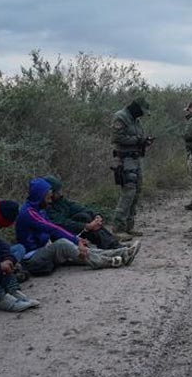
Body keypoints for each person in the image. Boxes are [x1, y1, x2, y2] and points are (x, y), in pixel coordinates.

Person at [16, 178, 139, 275]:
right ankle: (106, 262)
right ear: (40, 196)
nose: (49, 201)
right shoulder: (29, 213)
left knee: (80, 247)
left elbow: (71, 214)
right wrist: (76, 239)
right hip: (32, 258)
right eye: (47, 197)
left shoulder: (40, 209)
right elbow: (53, 227)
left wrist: (77, 239)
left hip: (43, 250)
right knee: (63, 243)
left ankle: (122, 253)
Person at [41, 175, 124, 250]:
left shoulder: (61, 201)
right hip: (63, 235)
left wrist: (96, 217)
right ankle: (111, 246)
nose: (60, 193)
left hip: (74, 230)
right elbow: (62, 223)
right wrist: (87, 226)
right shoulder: (46, 208)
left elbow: (78, 208)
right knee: (85, 219)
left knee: (85, 216)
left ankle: (113, 244)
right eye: (57, 191)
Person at [111, 97, 154, 238]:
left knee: (136, 192)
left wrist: (144, 141)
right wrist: (138, 140)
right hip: (125, 159)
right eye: (142, 111)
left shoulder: (136, 120)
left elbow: (137, 136)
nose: (142, 114)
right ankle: (118, 229)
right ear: (136, 107)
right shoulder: (120, 117)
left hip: (136, 159)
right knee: (128, 192)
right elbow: (118, 138)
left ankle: (129, 227)